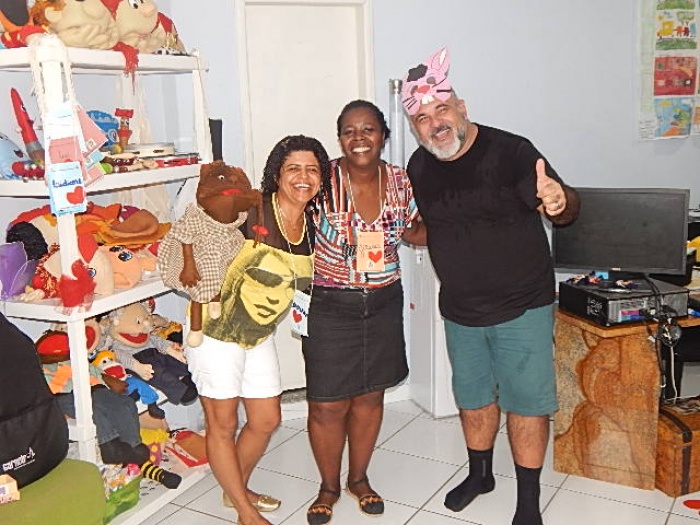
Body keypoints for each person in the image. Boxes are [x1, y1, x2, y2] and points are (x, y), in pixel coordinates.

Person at [402, 47, 580, 525]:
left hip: (522, 306)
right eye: (422, 118)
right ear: (415, 128)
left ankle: (528, 500)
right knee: (474, 398)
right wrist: (407, 232)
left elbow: (564, 208)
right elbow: (441, 225)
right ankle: (480, 475)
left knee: (526, 405)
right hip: (460, 309)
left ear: (462, 108)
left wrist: (559, 202)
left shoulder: (512, 152)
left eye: (442, 109)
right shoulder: (420, 167)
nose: (435, 123)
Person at [185, 135, 332, 525]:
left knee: (266, 419)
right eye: (293, 168)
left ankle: (235, 489)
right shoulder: (252, 210)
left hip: (258, 334)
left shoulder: (312, 223)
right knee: (223, 424)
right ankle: (245, 511)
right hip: (215, 331)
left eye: (312, 169)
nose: (303, 177)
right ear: (277, 175)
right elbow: (198, 224)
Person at [302, 100, 425, 525]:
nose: (359, 138)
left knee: (371, 396)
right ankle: (328, 486)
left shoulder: (400, 180)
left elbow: (413, 229)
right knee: (327, 404)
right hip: (329, 306)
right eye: (349, 130)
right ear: (340, 138)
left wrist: (461, 225)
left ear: (383, 135)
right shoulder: (321, 179)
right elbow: (286, 221)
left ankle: (358, 478)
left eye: (368, 129)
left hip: (383, 303)